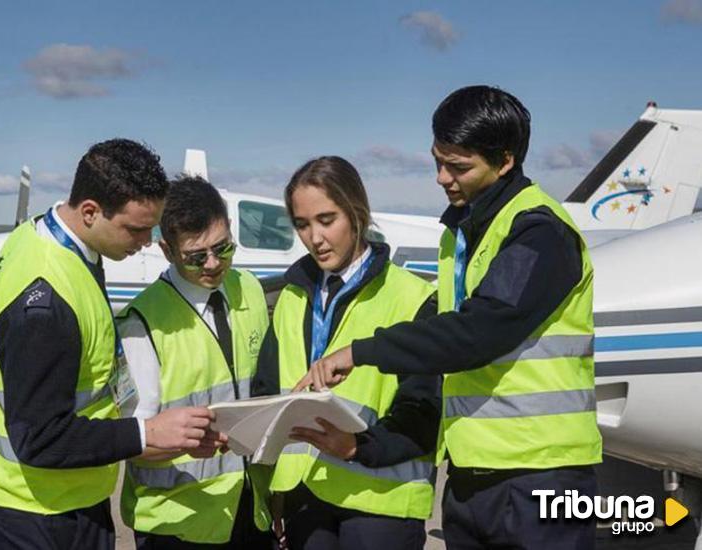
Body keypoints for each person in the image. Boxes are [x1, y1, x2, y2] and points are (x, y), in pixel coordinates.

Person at [296, 86, 602, 549]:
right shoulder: (460, 233)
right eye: (437, 160)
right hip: (471, 473)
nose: (442, 177)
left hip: (541, 474)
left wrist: (361, 352)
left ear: (504, 162)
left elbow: (477, 333)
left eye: (458, 167)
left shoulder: (539, 232)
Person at [0, 139, 220, 549]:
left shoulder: (42, 236)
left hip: (64, 496)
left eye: (152, 228)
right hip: (41, 513)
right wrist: (145, 435)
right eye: (136, 229)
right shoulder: (46, 304)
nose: (146, 242)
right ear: (89, 211)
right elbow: (39, 437)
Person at [251, 156, 441, 549]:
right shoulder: (290, 297)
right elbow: (267, 390)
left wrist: (358, 447)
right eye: (302, 224)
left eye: (326, 219)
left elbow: (425, 411)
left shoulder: (414, 297)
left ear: (357, 213)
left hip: (381, 502)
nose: (315, 238)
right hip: (306, 495)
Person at [117, 176, 273, 549]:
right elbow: (129, 439)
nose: (214, 263)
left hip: (252, 512)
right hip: (177, 523)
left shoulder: (249, 288)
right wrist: (186, 441)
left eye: (223, 247)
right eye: (195, 256)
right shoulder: (140, 324)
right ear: (167, 250)